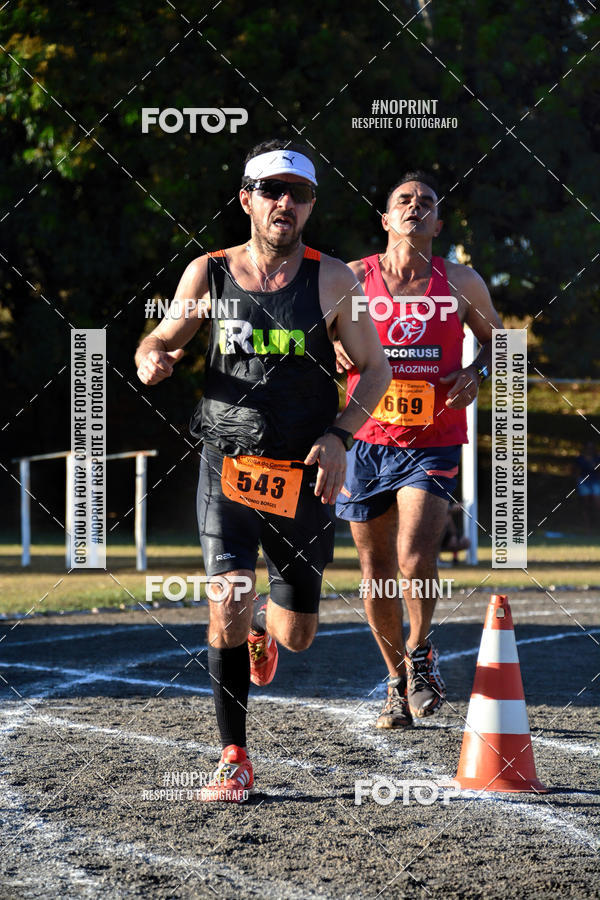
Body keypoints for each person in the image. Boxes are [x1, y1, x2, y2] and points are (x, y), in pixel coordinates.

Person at [135, 139, 391, 801]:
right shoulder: (210, 273)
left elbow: (376, 369)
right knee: (226, 597)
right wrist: (152, 354)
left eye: (298, 194)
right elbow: (164, 336)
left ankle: (261, 630)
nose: (285, 203)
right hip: (227, 462)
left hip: (304, 470)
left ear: (310, 206)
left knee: (297, 634)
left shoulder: (334, 280)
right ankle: (234, 755)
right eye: (272, 190)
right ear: (247, 199)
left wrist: (340, 436)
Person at [335, 170, 503, 727]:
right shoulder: (352, 278)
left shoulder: (461, 281)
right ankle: (395, 681)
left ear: (438, 222)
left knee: (413, 556)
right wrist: (331, 348)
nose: (415, 206)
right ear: (385, 219)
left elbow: (499, 341)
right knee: (376, 568)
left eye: (426, 201)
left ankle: (421, 650)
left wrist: (476, 371)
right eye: (403, 200)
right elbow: (313, 332)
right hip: (364, 438)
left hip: (433, 438)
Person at [573, 442, 600, 528]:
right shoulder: (580, 458)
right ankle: (587, 526)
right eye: (588, 448)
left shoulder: (597, 458)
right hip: (584, 481)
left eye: (591, 448)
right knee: (585, 504)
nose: (589, 450)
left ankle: (597, 525)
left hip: (596, 481)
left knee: (597, 504)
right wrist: (578, 482)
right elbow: (576, 471)